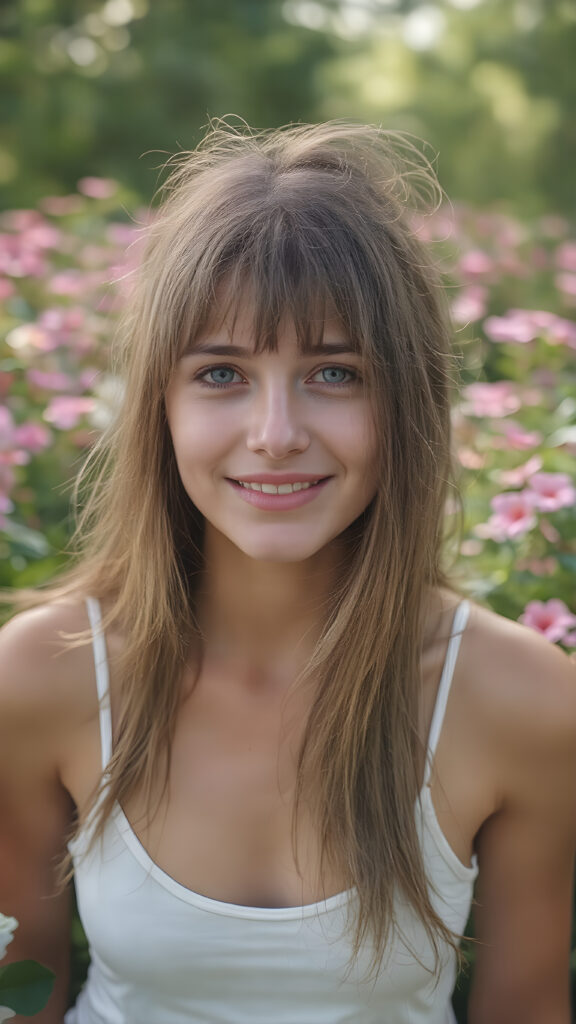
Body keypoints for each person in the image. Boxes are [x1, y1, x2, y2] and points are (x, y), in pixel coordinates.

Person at [1, 121, 575, 1024]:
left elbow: (528, 1007)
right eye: (222, 374)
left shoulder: (522, 699)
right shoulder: (46, 674)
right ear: (159, 404)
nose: (275, 434)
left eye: (335, 373)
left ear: (409, 401)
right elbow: (18, 998)